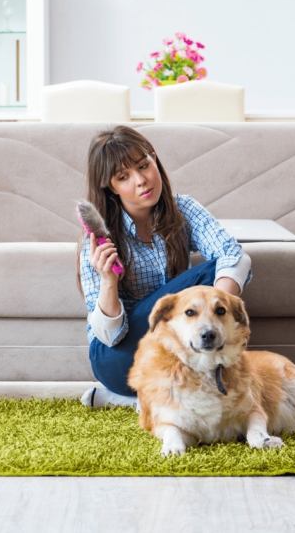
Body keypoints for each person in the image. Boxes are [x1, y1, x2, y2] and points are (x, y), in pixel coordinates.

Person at [78, 125, 252, 408]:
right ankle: (133, 392)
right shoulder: (98, 243)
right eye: (124, 177)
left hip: (173, 348)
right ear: (111, 187)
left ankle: (128, 400)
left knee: (224, 267)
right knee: (209, 272)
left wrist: (214, 319)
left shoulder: (182, 209)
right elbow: (110, 337)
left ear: (155, 159)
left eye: (144, 166)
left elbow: (236, 257)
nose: (141, 181)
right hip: (117, 358)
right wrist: (108, 281)